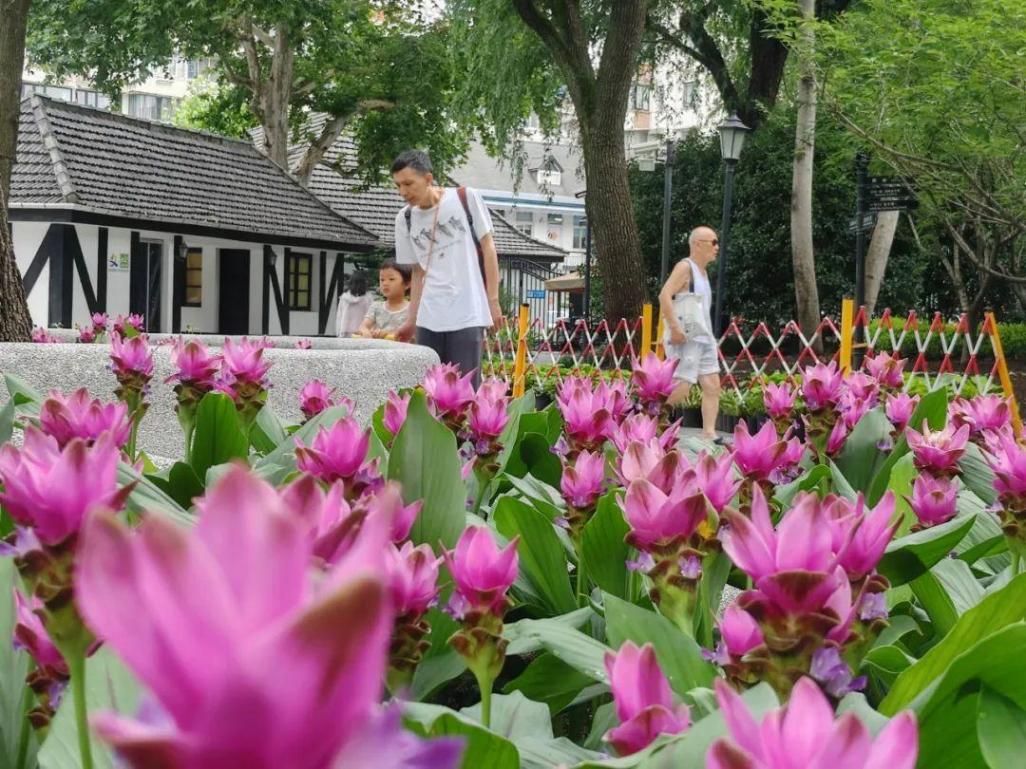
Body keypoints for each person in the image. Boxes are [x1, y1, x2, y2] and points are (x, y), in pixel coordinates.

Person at [391, 149, 502, 387]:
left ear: (428, 179)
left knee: (463, 393)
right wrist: (411, 319)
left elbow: (489, 248)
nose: (403, 192)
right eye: (398, 185)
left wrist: (493, 302)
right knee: (430, 391)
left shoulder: (465, 198)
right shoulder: (405, 219)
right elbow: (418, 272)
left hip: (467, 313)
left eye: (408, 183)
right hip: (429, 318)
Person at [659, 226, 724, 443]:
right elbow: (664, 295)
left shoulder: (702, 273)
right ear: (697, 244)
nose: (717, 247)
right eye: (713, 242)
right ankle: (652, 415)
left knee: (712, 384)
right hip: (686, 337)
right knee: (683, 385)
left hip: (703, 337)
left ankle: (709, 432)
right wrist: (675, 328)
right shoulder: (685, 267)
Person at [357, 258, 412, 339]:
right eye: (382, 280)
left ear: (407, 284)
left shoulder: (412, 310)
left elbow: (413, 335)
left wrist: (387, 333)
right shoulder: (376, 307)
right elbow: (363, 326)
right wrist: (366, 332)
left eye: (391, 279)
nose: (385, 283)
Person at [336, 271, 372, 337]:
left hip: (346, 332)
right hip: (363, 333)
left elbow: (339, 316)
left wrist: (338, 332)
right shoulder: (368, 299)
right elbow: (372, 316)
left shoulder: (344, 298)